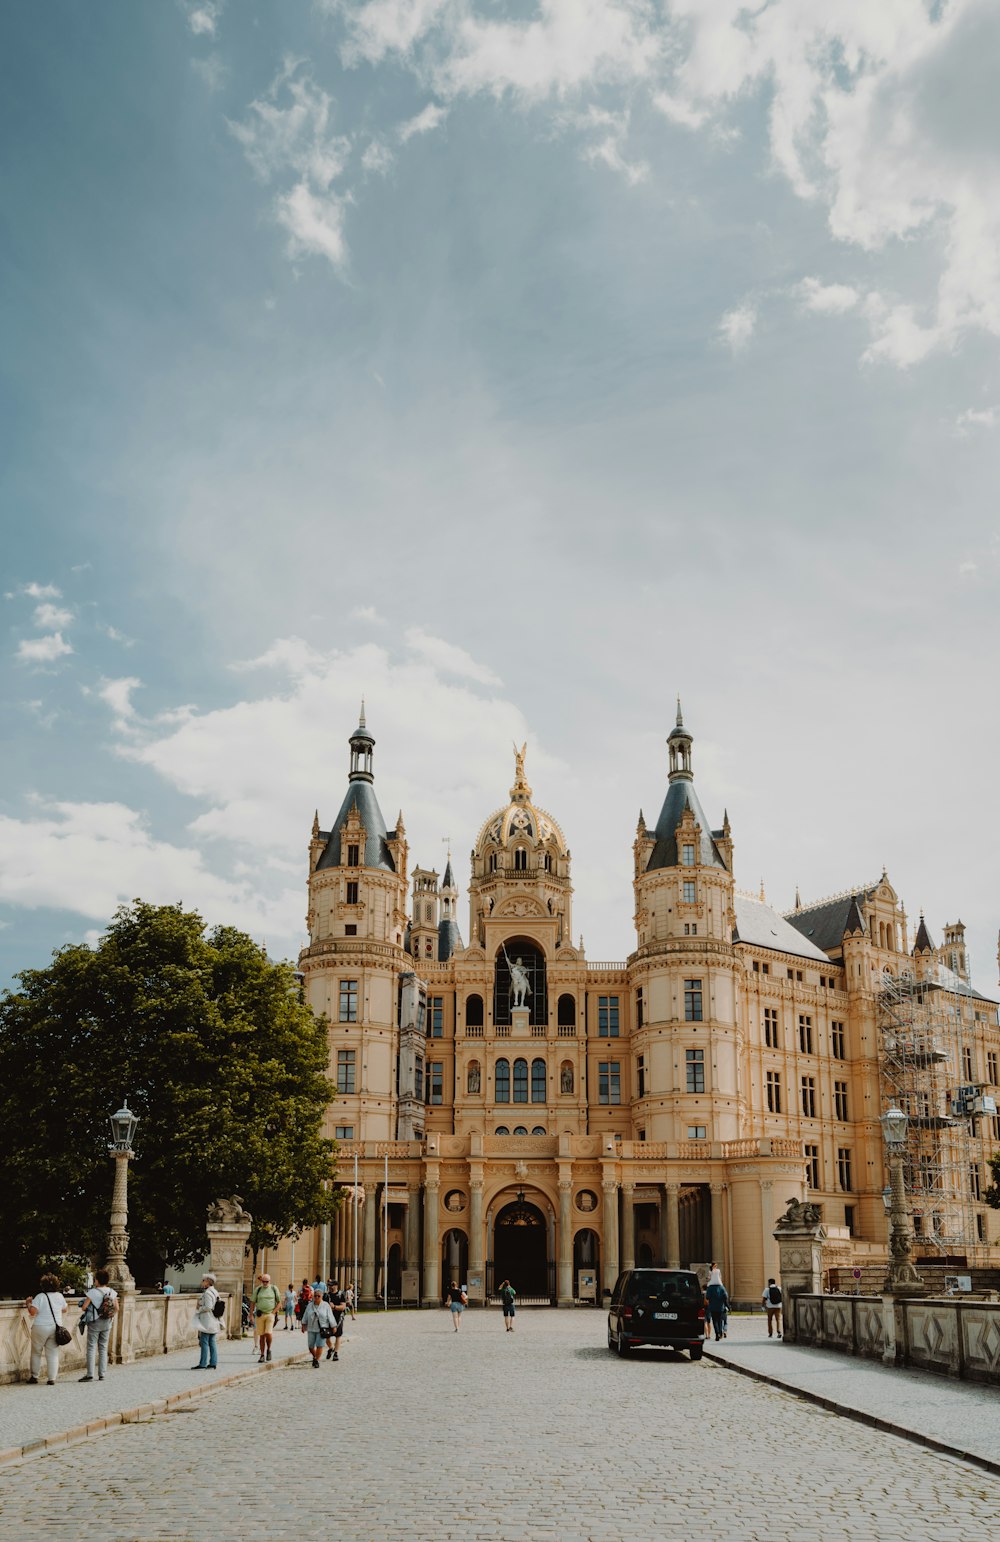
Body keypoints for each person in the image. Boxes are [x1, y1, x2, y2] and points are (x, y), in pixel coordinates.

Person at [25, 1272, 68, 1385]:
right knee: (53, 1353)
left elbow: (33, 1312)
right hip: (55, 1327)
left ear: (43, 1285)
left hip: (40, 1327)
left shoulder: (40, 1297)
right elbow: (64, 1309)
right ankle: (51, 1379)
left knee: (36, 1352)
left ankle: (34, 1376)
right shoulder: (59, 1296)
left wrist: (28, 1303)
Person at [78, 1267, 118, 1382]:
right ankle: (102, 1374)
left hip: (95, 1322)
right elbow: (117, 1308)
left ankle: (90, 1374)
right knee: (103, 1347)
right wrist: (109, 1315)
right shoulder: (112, 1292)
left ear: (97, 1280)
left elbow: (84, 1307)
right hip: (107, 1322)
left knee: (91, 1347)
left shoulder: (92, 1292)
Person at [192, 1273, 222, 1370]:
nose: (202, 1282)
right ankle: (213, 1362)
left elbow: (208, 1307)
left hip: (207, 1320)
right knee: (212, 1342)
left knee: (204, 1341)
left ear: (208, 1282)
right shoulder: (215, 1292)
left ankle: (203, 1363)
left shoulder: (208, 1293)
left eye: (203, 1280)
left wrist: (199, 1308)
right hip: (214, 1320)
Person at [301, 1288, 336, 1368]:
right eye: (315, 1296)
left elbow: (330, 1316)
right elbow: (305, 1315)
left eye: (318, 1296)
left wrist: (333, 1326)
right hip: (311, 1328)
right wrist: (303, 1325)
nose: (316, 1297)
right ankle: (315, 1356)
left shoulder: (326, 1305)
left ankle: (316, 1360)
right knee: (310, 1346)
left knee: (320, 1345)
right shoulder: (310, 1305)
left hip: (322, 1329)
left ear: (322, 1297)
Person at [252, 1272, 282, 1363]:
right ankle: (262, 1355)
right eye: (263, 1281)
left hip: (270, 1314)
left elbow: (279, 1302)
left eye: (267, 1282)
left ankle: (269, 1349)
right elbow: (253, 1302)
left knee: (268, 1333)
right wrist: (250, 1315)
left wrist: (273, 1313)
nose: (265, 1283)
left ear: (270, 1281)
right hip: (260, 1315)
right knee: (261, 1335)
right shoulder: (258, 1289)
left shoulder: (273, 1288)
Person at [326, 1280, 348, 1361]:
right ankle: (331, 1348)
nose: (330, 1287)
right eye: (329, 1285)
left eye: (331, 1285)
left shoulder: (341, 1294)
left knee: (338, 1335)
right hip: (327, 1318)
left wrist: (334, 1307)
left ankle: (336, 1353)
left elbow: (343, 1307)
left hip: (338, 1317)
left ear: (336, 1286)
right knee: (326, 1335)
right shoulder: (326, 1295)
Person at [706, 1268, 729, 1341]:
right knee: (720, 1320)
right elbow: (725, 1296)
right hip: (720, 1307)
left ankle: (717, 1333)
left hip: (712, 1307)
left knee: (714, 1320)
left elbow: (707, 1297)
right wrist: (727, 1305)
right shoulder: (722, 1287)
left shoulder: (710, 1288)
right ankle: (720, 1332)